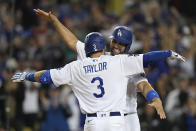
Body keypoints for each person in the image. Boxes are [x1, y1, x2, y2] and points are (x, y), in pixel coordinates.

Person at [33, 9, 185, 131]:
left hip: (128, 118)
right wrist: (54, 21)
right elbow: (72, 41)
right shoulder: (96, 56)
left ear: (128, 46)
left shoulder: (129, 63)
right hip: (101, 119)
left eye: (122, 43)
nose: (116, 46)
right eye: (115, 41)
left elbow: (143, 85)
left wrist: (155, 99)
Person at [12, 32, 166, 131]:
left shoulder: (76, 67)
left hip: (94, 121)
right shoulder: (118, 62)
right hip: (117, 121)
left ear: (85, 50)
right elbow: (148, 58)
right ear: (104, 47)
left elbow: (46, 76)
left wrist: (28, 76)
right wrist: (168, 52)